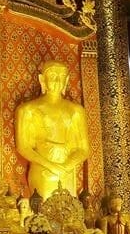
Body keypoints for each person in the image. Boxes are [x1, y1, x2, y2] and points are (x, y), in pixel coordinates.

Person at [14, 60, 89, 199]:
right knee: (43, 211)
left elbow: (83, 150)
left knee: (68, 213)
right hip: (42, 170)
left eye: (61, 76)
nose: (57, 80)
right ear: (42, 79)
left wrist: (66, 166)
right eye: (53, 75)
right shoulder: (27, 110)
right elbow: (23, 147)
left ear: (66, 80)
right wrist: (50, 166)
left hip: (67, 171)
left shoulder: (76, 111)